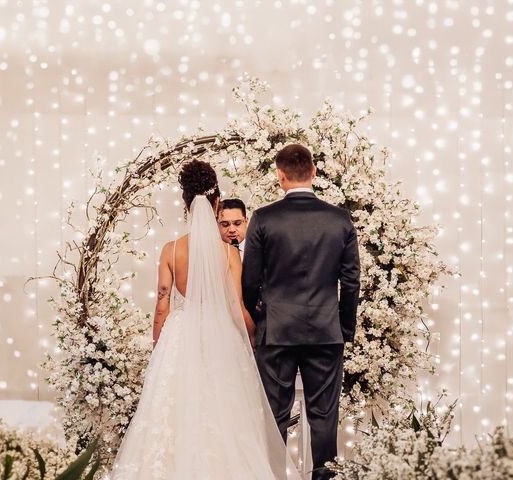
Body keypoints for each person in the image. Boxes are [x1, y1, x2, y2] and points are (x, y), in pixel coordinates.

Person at [109, 160, 302, 480]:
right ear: (215, 204)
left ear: (185, 204)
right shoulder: (227, 253)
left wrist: (159, 345)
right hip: (220, 338)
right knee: (223, 412)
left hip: (179, 336)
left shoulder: (170, 250)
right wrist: (255, 337)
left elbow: (161, 304)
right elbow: (236, 307)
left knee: (171, 414)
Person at [242, 144, 360, 480]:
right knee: (324, 416)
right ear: (314, 172)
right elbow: (351, 281)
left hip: (277, 330)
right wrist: (344, 327)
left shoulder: (264, 218)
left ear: (280, 176)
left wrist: (262, 316)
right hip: (325, 330)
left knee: (276, 416)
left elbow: (249, 282)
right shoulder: (339, 219)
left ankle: (274, 477)